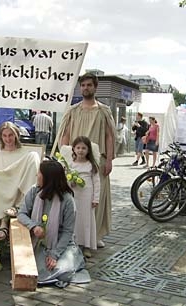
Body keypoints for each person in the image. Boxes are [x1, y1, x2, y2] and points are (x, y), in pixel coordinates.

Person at [57, 73, 115, 248]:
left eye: (89, 85)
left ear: (95, 87)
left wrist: (110, 160)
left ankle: (95, 235)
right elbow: (65, 136)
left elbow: (109, 136)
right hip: (75, 162)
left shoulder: (104, 111)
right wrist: (64, 160)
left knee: (96, 197)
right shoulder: (73, 111)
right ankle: (74, 235)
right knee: (75, 199)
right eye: (83, 85)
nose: (86, 88)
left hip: (97, 162)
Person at [17, 160, 90, 287]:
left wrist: (55, 255)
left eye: (40, 173)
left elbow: (68, 232)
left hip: (62, 245)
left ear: (49, 178)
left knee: (60, 270)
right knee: (39, 270)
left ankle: (75, 261)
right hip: (40, 243)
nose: (37, 175)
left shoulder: (67, 200)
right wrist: (34, 226)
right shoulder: (34, 191)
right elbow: (21, 213)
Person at [0, 122, 40, 241]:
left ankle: (20, 207)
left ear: (16, 135)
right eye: (5, 136)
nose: (8, 139)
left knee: (34, 156)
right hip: (2, 185)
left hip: (19, 185)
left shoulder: (26, 154)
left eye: (11, 135)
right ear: (0, 137)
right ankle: (3, 223)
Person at [70, 136, 100, 258]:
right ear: (73, 149)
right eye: (78, 148)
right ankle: (75, 243)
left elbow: (97, 183)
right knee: (75, 219)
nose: (80, 150)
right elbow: (67, 181)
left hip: (87, 195)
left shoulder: (91, 165)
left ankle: (87, 245)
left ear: (88, 150)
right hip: (74, 195)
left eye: (83, 148)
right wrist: (71, 182)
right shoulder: (70, 165)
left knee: (87, 220)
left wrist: (96, 198)